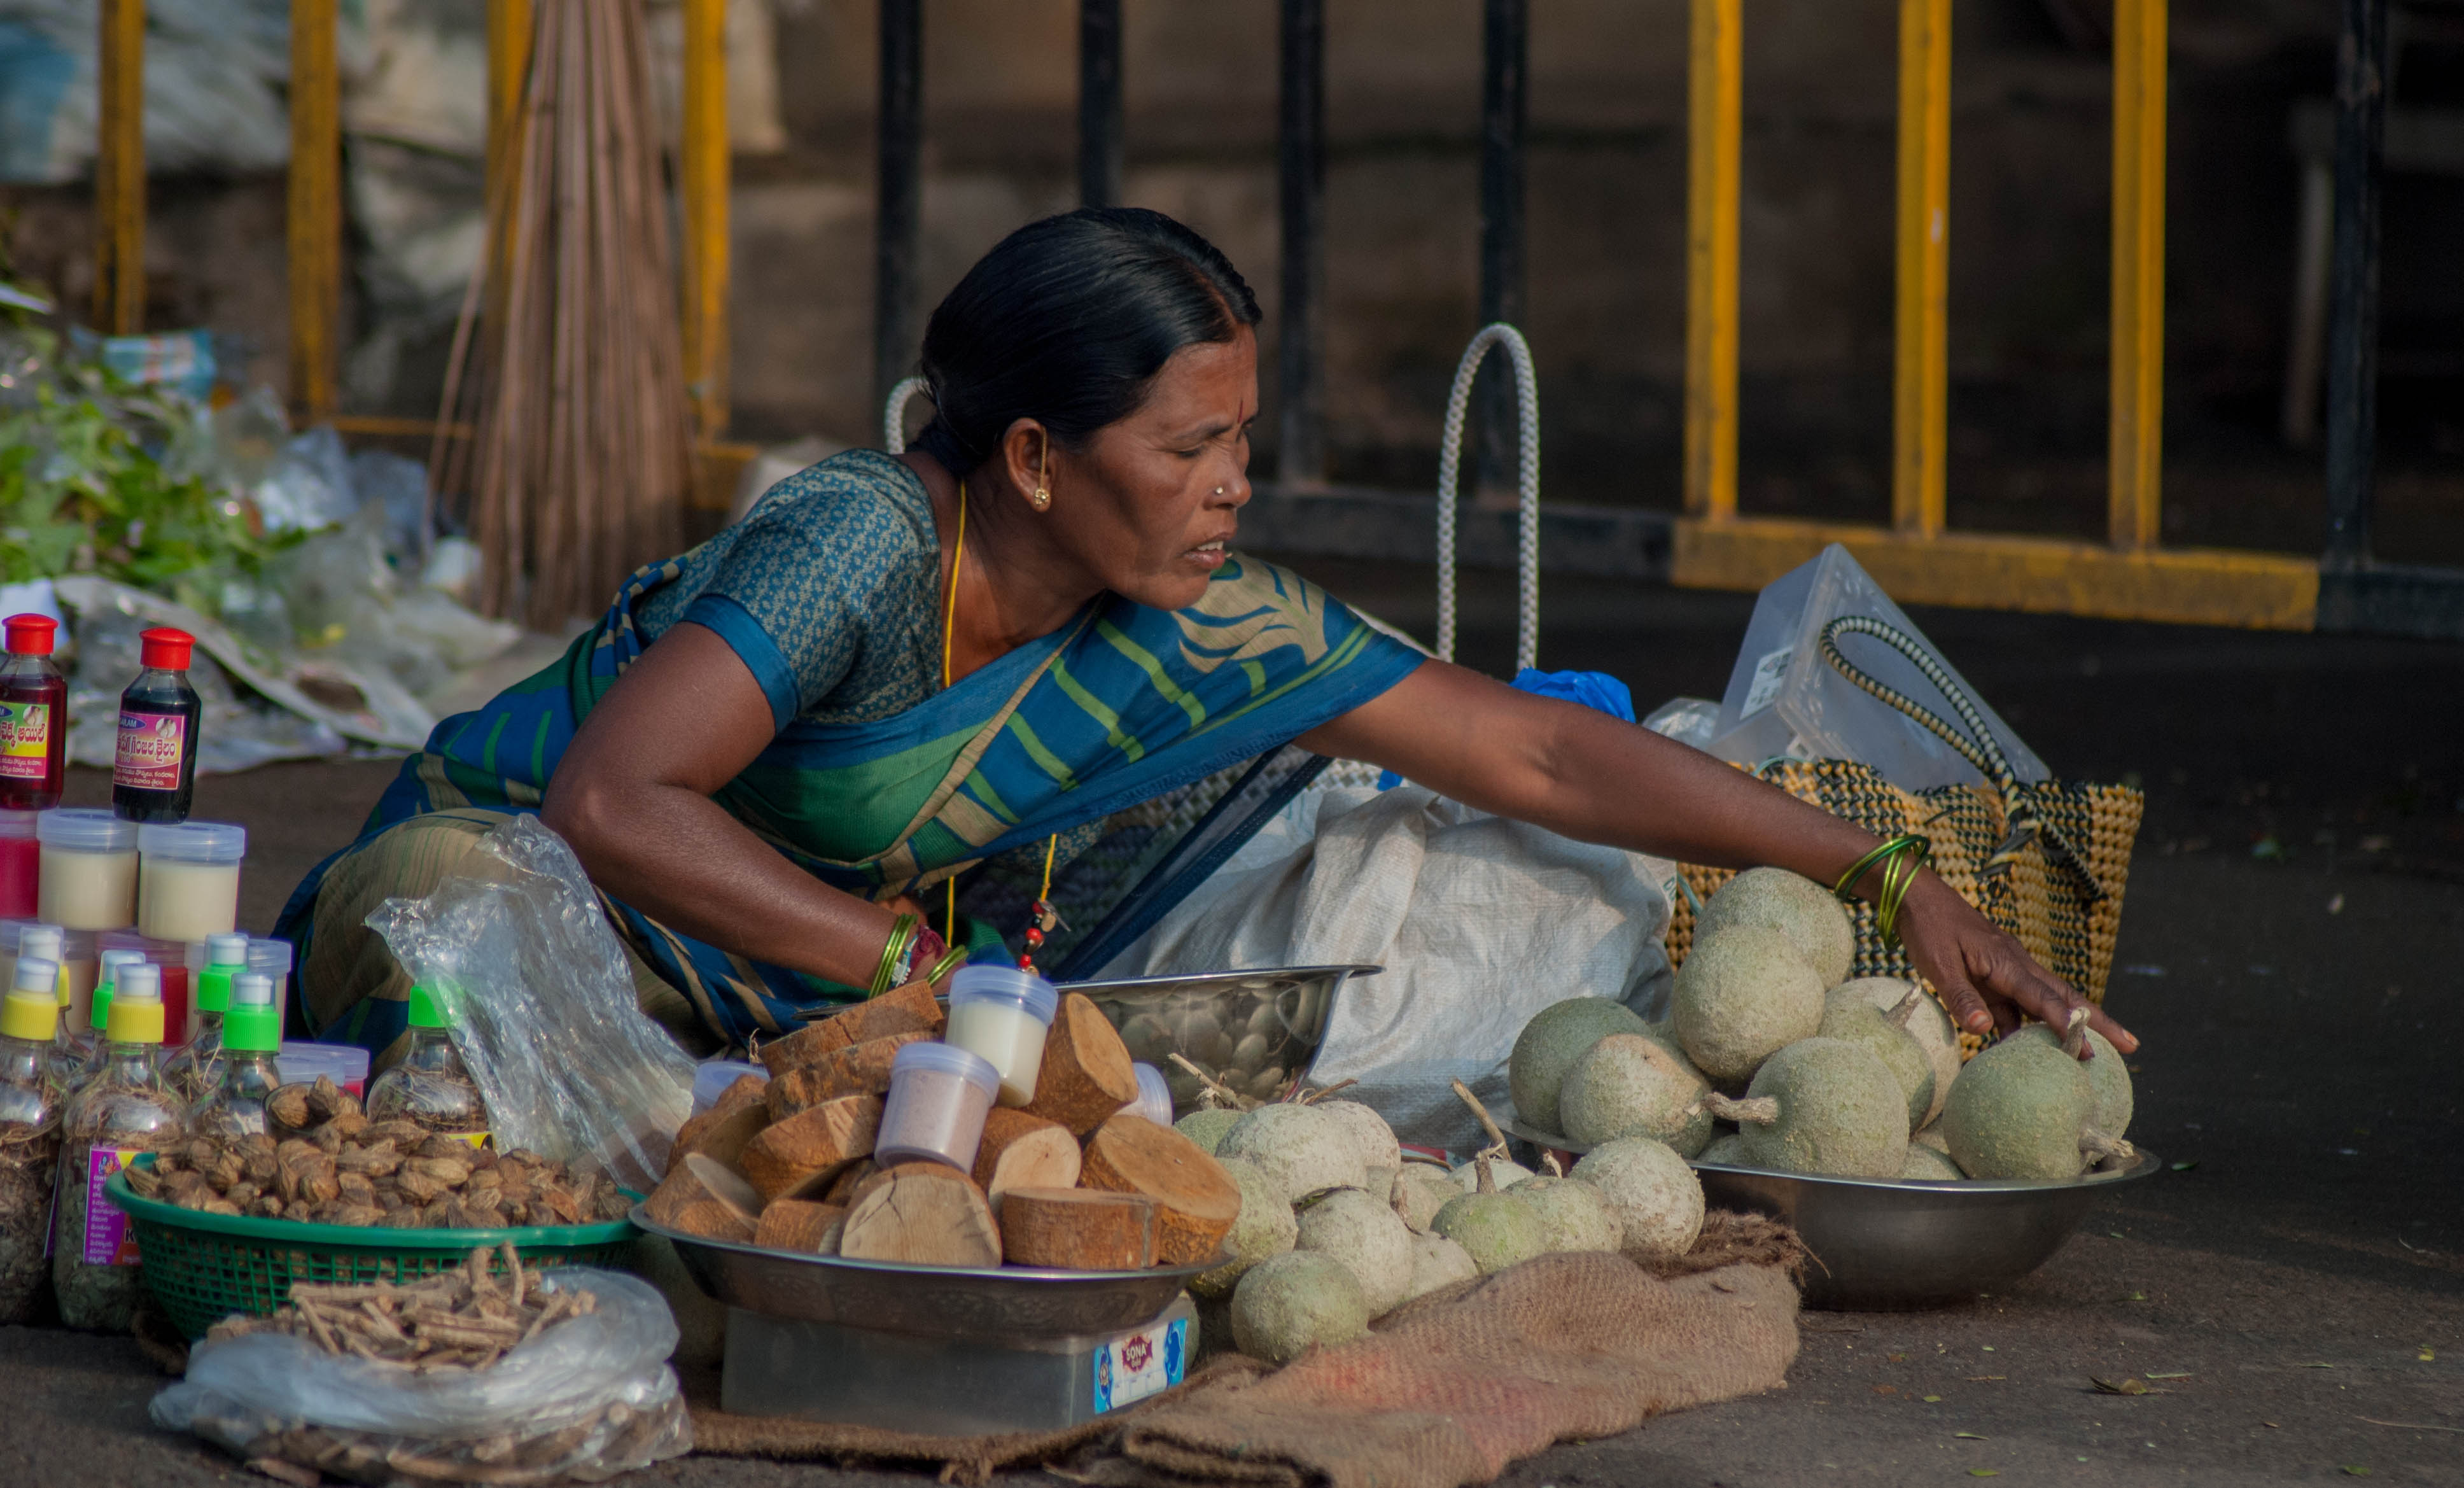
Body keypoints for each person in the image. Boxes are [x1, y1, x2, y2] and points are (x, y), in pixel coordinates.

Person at [279, 207, 2135, 1070]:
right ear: (1028, 456)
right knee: (446, 896)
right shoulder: (855, 537)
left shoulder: (1198, 612)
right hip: (536, 911)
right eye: (1189, 447)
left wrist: (1885, 864)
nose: (1233, 486)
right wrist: (916, 984)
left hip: (775, 1019)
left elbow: (1536, 750)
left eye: (1241, 440)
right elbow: (611, 797)